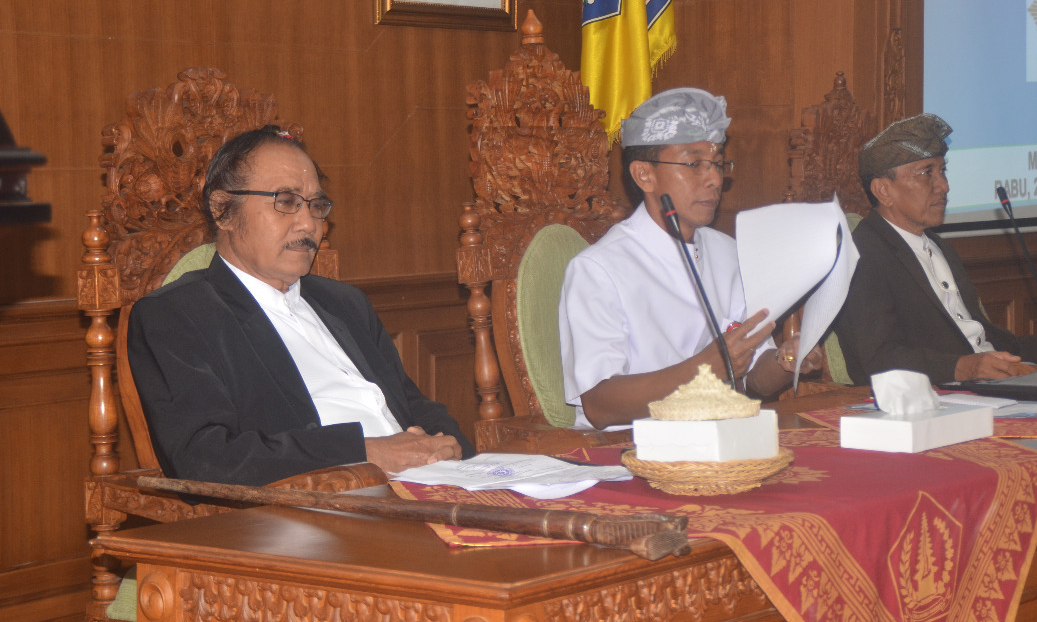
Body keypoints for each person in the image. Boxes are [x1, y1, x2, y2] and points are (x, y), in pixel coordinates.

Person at [128, 126, 473, 486]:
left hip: (427, 488)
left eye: (316, 206)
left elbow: (412, 405)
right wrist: (364, 452)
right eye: (286, 202)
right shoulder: (178, 315)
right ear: (223, 210)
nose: (309, 224)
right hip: (315, 503)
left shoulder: (345, 303)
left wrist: (449, 450)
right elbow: (206, 457)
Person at [559, 88, 823, 430]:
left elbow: (754, 382)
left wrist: (787, 360)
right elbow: (599, 404)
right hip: (629, 447)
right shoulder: (599, 270)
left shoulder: (726, 251)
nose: (714, 179)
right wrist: (703, 369)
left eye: (717, 163)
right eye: (694, 164)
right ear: (644, 175)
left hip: (717, 439)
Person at [833, 113, 1037, 385]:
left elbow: (985, 337)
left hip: (985, 386)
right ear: (883, 190)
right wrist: (964, 368)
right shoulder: (862, 255)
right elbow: (878, 359)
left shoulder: (940, 248)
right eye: (926, 173)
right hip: (936, 395)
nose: (944, 186)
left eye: (943, 171)